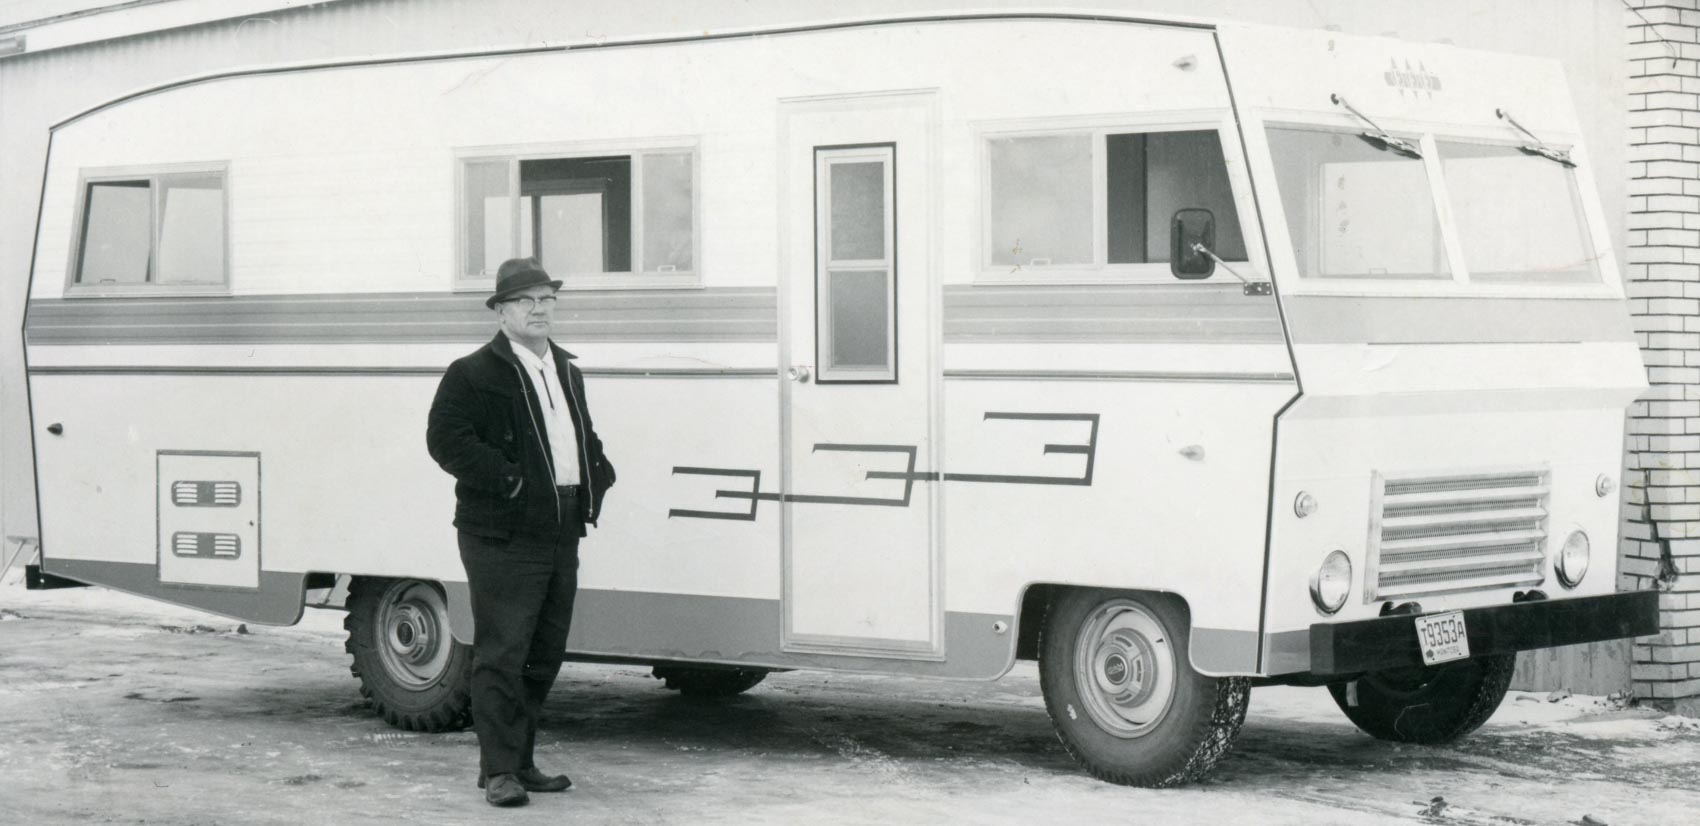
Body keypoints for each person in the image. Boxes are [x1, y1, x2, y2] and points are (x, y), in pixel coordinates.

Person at [426, 257, 615, 807]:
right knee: (503, 652)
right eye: (526, 301)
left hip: (562, 526)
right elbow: (447, 439)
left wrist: (598, 471)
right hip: (502, 533)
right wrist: (507, 480)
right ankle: (499, 771)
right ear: (502, 312)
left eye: (547, 300)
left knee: (543, 651)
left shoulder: (567, 370)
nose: (539, 309)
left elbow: (578, 435)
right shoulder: (473, 372)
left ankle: (522, 761)